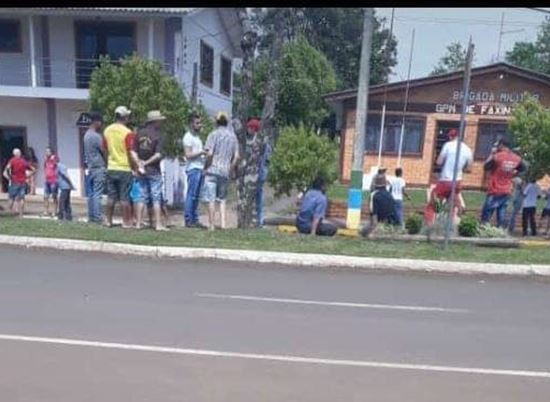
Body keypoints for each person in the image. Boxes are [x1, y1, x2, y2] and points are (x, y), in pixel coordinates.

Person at [424, 129, 473, 226]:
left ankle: (429, 225)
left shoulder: (448, 145)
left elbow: (439, 162)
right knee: (452, 202)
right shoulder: (468, 149)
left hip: (446, 180)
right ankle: (451, 223)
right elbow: (469, 169)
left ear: (450, 137)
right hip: (457, 181)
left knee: (433, 202)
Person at [202, 112, 239, 231]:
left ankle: (212, 225)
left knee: (211, 198)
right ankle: (223, 224)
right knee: (222, 199)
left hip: (212, 169)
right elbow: (237, 156)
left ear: (216, 122)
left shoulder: (213, 135)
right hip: (225, 171)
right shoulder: (233, 137)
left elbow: (210, 153)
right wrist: (231, 168)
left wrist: (205, 167)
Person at [130, 110, 167, 231]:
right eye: (160, 121)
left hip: (141, 170)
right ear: (155, 121)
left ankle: (138, 224)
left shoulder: (139, 134)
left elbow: (133, 151)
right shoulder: (158, 135)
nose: (161, 123)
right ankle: (158, 224)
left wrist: (139, 162)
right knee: (156, 197)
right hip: (154, 170)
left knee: (141, 196)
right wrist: (146, 162)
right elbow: (158, 154)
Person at [480, 138, 525, 228]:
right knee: (502, 211)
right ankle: (501, 231)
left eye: (498, 145)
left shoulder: (498, 156)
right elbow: (523, 168)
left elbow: (486, 167)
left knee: (487, 212)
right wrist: (513, 173)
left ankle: (484, 230)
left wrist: (492, 153)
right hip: (506, 189)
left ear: (502, 145)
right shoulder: (516, 158)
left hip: (494, 188)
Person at [103, 105, 134, 228]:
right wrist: (134, 167)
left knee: (111, 197)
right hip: (124, 168)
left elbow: (104, 149)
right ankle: (126, 222)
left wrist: (108, 162)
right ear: (125, 117)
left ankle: (108, 220)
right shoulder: (127, 132)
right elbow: (129, 151)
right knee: (124, 198)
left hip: (111, 166)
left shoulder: (107, 130)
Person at [245, 118, 272, 228]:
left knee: (250, 197)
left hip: (254, 173)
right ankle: (258, 221)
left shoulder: (254, 142)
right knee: (258, 198)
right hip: (262, 172)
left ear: (253, 128)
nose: (247, 130)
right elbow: (268, 158)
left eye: (249, 127)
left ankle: (250, 220)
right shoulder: (266, 141)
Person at [182, 113, 206, 228]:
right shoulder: (188, 137)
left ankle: (194, 218)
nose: (199, 125)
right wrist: (201, 152)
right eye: (197, 123)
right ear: (191, 124)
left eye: (200, 122)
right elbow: (188, 154)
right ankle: (188, 219)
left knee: (197, 196)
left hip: (200, 168)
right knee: (191, 194)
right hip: (193, 168)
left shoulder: (198, 138)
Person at [83, 112, 106, 224]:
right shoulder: (96, 136)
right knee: (98, 193)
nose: (101, 125)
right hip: (98, 166)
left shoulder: (86, 135)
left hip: (90, 167)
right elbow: (103, 150)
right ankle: (97, 216)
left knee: (91, 194)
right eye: (100, 122)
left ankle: (91, 216)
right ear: (96, 122)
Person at [3, 148, 35, 216]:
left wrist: (8, 178)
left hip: (14, 182)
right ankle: (21, 214)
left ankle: (9, 212)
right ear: (19, 153)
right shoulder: (23, 161)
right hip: (22, 182)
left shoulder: (12, 161)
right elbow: (33, 169)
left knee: (11, 197)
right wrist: (28, 176)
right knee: (22, 198)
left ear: (14, 154)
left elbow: (5, 171)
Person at [43, 147, 59, 217]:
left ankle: (54, 211)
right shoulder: (46, 160)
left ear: (51, 152)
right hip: (47, 180)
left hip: (53, 181)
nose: (47, 153)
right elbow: (45, 168)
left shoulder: (54, 158)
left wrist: (53, 160)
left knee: (54, 196)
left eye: (48, 151)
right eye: (46, 151)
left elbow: (58, 165)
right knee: (45, 196)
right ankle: (46, 211)